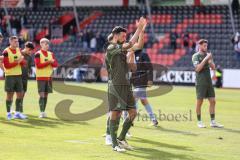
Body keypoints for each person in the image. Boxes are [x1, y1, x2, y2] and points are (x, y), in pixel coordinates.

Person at [105, 17, 146, 152]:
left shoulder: (121, 50)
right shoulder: (111, 47)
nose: (125, 37)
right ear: (116, 36)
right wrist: (138, 28)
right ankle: (114, 144)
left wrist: (141, 32)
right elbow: (129, 45)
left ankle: (121, 138)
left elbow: (138, 46)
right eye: (123, 35)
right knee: (115, 114)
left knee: (133, 113)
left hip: (126, 85)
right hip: (116, 85)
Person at [192, 39, 223, 128]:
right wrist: (206, 59)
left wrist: (210, 61)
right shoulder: (195, 56)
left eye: (206, 45)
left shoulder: (208, 55)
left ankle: (213, 122)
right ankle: (199, 121)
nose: (206, 47)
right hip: (200, 82)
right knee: (200, 102)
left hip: (208, 81)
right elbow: (198, 69)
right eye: (204, 45)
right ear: (200, 46)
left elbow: (213, 67)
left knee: (213, 101)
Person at [2, 36, 27, 120]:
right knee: (10, 95)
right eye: (15, 42)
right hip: (10, 76)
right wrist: (18, 62)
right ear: (11, 42)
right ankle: (8, 113)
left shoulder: (19, 50)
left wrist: (22, 62)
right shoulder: (6, 51)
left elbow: (23, 62)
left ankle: (17, 113)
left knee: (20, 94)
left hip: (18, 76)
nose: (17, 43)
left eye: (17, 41)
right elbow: (7, 66)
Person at [34, 38, 58, 118]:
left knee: (46, 95)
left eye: (48, 44)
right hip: (41, 77)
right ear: (41, 44)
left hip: (49, 77)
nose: (47, 45)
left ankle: (43, 111)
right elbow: (38, 66)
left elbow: (55, 65)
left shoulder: (51, 54)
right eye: (45, 44)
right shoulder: (38, 54)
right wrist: (49, 62)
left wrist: (52, 63)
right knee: (42, 95)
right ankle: (41, 112)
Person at [20, 41, 35, 113]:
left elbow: (29, 67)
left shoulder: (29, 57)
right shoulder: (19, 53)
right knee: (19, 92)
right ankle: (17, 108)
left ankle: (19, 106)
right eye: (30, 50)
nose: (30, 52)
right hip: (17, 76)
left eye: (31, 51)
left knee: (23, 92)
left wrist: (29, 71)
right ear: (26, 47)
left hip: (25, 78)